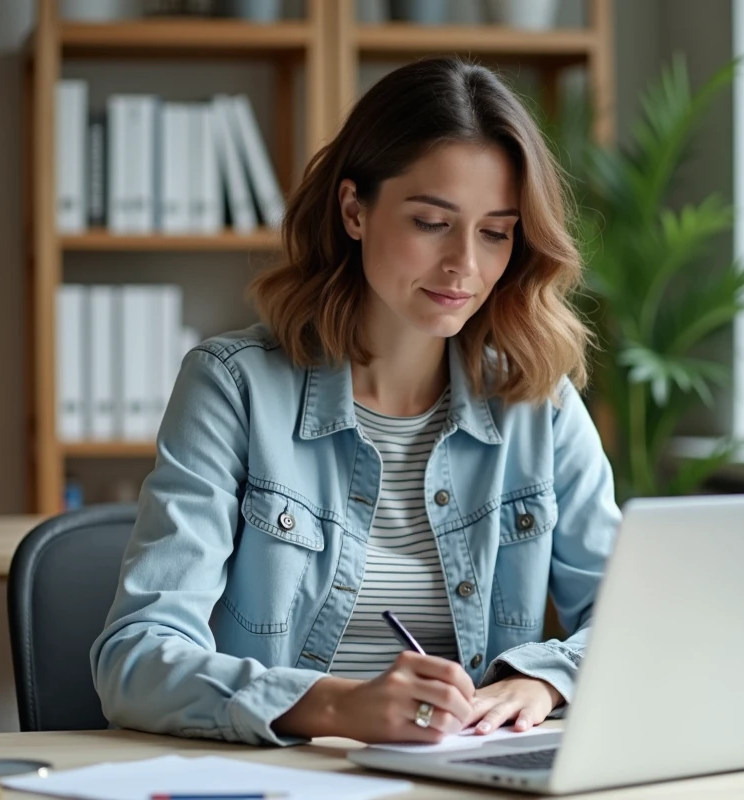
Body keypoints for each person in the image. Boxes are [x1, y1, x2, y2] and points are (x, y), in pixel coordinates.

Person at [90, 56, 621, 748]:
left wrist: (546, 679)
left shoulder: (537, 404)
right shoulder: (234, 388)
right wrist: (334, 707)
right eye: (432, 222)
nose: (465, 264)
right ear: (353, 211)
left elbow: (637, 626)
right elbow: (135, 658)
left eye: (495, 231)